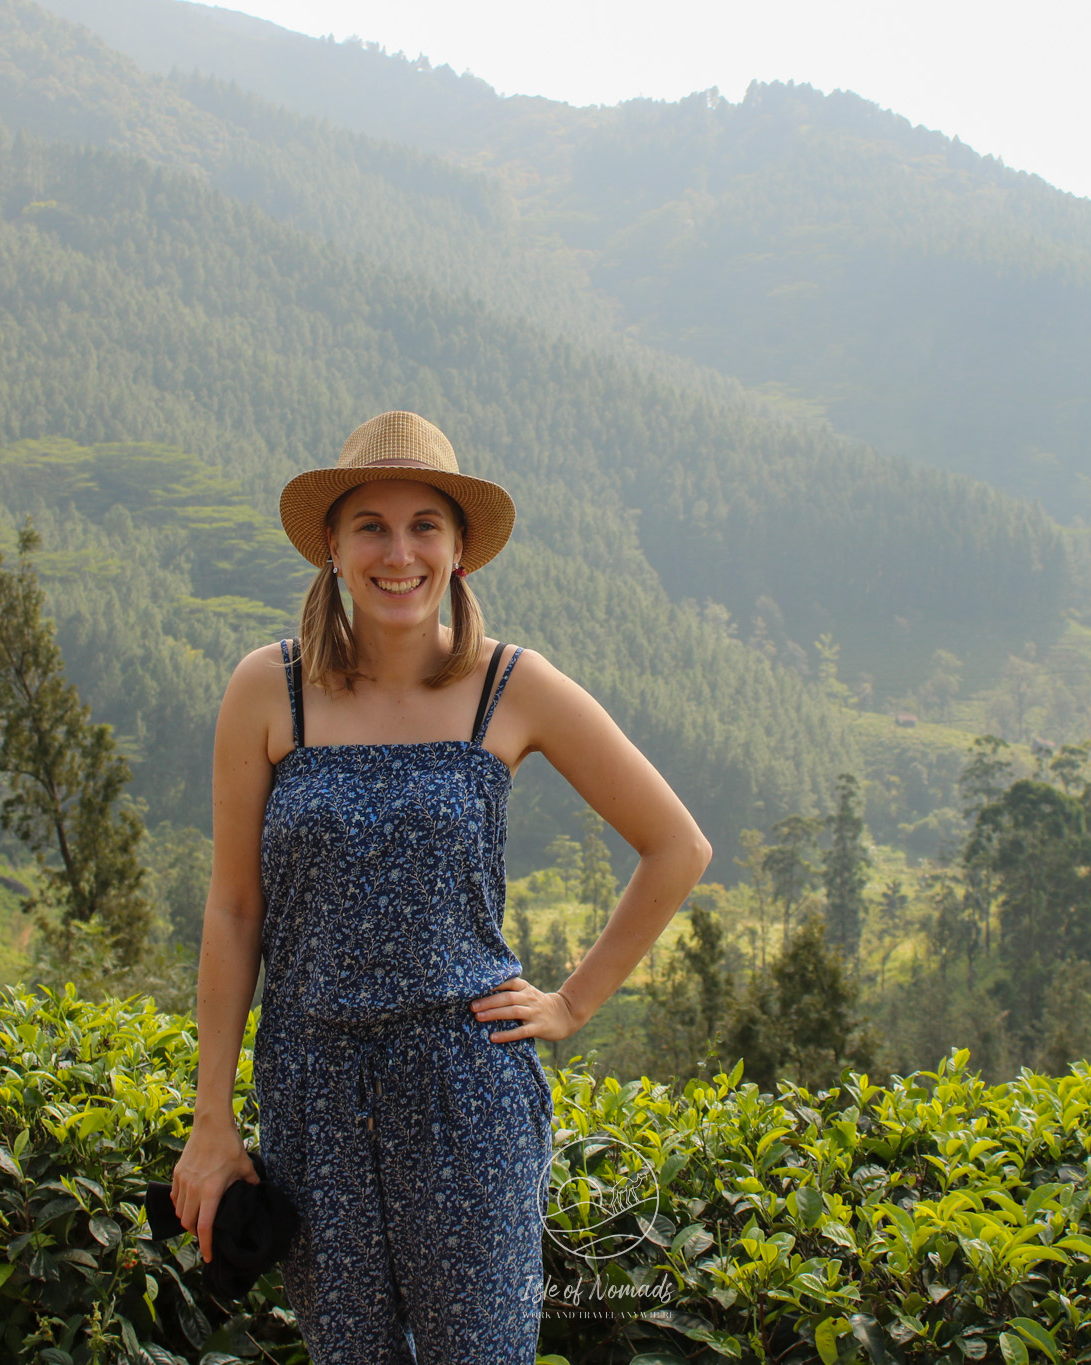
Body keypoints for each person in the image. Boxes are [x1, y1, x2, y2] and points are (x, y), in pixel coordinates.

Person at [171, 410, 713, 1363]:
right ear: (333, 547)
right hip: (310, 1089)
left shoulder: (513, 685)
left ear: (460, 551)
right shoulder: (269, 689)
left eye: (425, 524)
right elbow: (233, 907)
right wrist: (211, 1118)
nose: (399, 551)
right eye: (371, 525)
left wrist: (572, 1002)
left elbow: (676, 846)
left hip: (466, 1090)